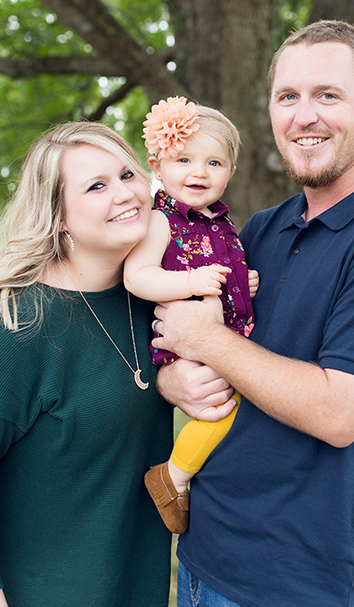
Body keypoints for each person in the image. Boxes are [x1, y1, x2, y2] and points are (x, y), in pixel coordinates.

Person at [152, 20, 354, 606]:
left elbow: (340, 413)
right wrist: (172, 378)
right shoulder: (262, 227)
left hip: (288, 580)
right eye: (288, 96)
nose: (304, 116)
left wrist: (208, 342)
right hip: (203, 550)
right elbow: (186, 328)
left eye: (327, 95)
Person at [0, 122, 175, 607]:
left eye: (127, 175)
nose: (125, 194)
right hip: (14, 589)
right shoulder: (13, 324)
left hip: (117, 577)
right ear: (60, 217)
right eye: (96, 186)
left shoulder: (153, 298)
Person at [123, 97, 257, 534]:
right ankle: (173, 477)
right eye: (184, 159)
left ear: (230, 172)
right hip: (186, 339)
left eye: (214, 162)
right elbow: (137, 276)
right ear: (157, 165)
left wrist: (243, 282)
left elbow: (219, 271)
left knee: (234, 407)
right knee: (223, 409)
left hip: (224, 335)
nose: (199, 172)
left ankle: (186, 476)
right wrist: (189, 284)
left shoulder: (220, 222)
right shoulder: (162, 221)